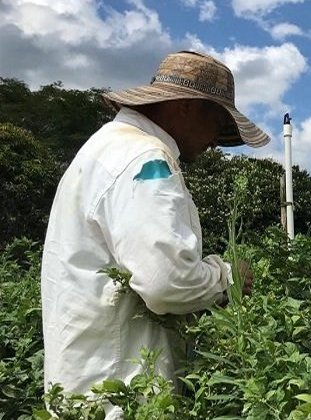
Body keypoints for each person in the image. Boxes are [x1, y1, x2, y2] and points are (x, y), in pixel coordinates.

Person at [41, 51, 269, 416]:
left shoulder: (106, 148)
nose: (214, 140)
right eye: (216, 121)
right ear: (187, 108)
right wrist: (229, 277)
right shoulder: (144, 159)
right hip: (120, 398)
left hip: (84, 389)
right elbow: (168, 282)